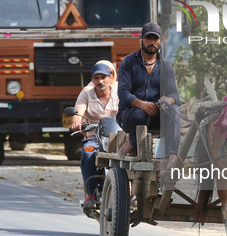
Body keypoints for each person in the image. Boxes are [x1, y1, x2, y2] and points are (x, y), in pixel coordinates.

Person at [117, 22, 181, 169]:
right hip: (131, 116)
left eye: (155, 39)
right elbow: (123, 94)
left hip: (156, 115)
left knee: (175, 109)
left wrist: (167, 100)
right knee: (139, 114)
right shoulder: (128, 62)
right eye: (148, 38)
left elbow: (174, 95)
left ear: (160, 41)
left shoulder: (166, 66)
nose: (152, 42)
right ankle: (133, 141)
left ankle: (173, 155)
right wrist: (141, 104)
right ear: (141, 39)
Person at [71, 62, 118, 210]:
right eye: (96, 78)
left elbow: (129, 111)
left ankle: (129, 191)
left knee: (130, 156)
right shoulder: (86, 94)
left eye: (103, 77)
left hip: (118, 139)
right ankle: (89, 195)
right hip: (94, 138)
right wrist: (76, 121)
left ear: (110, 77)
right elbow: (78, 110)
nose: (100, 81)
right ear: (92, 79)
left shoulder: (120, 93)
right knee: (88, 152)